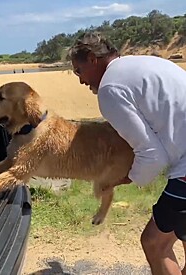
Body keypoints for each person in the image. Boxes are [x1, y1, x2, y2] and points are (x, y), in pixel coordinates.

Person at [68, 32, 186, 275]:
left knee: (155, 243)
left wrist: (123, 178)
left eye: (78, 71)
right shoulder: (143, 63)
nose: (80, 81)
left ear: (92, 59)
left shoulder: (110, 88)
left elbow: (153, 155)